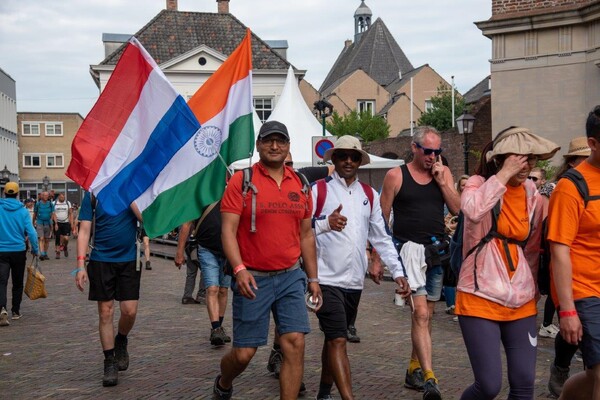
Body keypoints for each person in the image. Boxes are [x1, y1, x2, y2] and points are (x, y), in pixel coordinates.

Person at [212, 120, 322, 400]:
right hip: (253, 278)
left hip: (290, 276)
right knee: (244, 353)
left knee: (294, 342)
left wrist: (313, 278)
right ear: (259, 145)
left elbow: (306, 235)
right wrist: (238, 270)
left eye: (281, 141)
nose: (275, 146)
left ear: (288, 147)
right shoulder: (242, 180)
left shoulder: (301, 183)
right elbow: (228, 231)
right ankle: (224, 383)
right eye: (269, 140)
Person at [455, 126, 558, 399]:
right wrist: (502, 174)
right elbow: (473, 209)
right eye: (518, 158)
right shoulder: (480, 182)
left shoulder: (530, 192)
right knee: (488, 386)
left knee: (524, 384)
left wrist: (533, 290)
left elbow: (533, 246)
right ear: (500, 158)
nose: (526, 165)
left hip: (521, 299)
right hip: (480, 295)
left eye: (531, 158)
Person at [311, 135, 410, 400]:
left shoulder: (369, 194)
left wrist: (398, 272)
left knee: (334, 338)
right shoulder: (318, 190)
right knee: (339, 340)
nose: (348, 161)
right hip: (324, 279)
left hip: (354, 281)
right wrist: (324, 222)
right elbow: (298, 230)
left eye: (354, 157)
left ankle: (323, 393)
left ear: (359, 161)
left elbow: (381, 236)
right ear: (334, 158)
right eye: (342, 155)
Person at [378, 126, 460, 399]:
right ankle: (429, 378)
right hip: (408, 254)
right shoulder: (395, 175)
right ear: (414, 148)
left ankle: (414, 368)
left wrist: (443, 182)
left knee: (427, 316)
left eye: (438, 152)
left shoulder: (443, 173)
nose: (433, 156)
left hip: (436, 253)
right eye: (428, 151)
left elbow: (458, 209)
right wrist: (377, 256)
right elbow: (381, 218)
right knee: (421, 314)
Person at [549, 107, 600, 400]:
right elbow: (559, 250)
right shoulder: (571, 187)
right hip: (585, 290)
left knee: (593, 375)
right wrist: (567, 310)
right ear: (593, 143)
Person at [74, 192, 142, 387]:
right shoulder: (93, 194)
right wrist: (80, 265)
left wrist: (130, 199)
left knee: (129, 311)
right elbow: (85, 230)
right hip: (101, 260)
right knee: (106, 312)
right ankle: (109, 361)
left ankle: (121, 339)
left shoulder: (132, 189)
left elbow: (146, 219)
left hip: (129, 259)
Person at [542, 136, 591, 397]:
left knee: (583, 339)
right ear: (573, 161)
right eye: (582, 158)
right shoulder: (564, 186)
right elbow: (558, 241)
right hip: (572, 272)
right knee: (575, 331)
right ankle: (561, 367)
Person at [175, 201, 231, 345]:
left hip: (227, 251)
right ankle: (216, 328)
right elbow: (186, 224)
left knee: (223, 290)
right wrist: (179, 252)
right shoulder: (201, 194)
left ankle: (219, 325)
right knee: (212, 288)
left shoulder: (230, 191)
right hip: (206, 249)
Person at [0, 182, 39, 326]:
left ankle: (2, 308)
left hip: (1, 251)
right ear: (17, 194)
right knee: (17, 283)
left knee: (1, 282)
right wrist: (35, 249)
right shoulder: (22, 211)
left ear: (4, 193)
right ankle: (15, 311)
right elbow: (32, 233)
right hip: (18, 251)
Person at [32, 191, 55, 261]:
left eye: (47, 195)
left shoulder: (50, 204)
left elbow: (52, 214)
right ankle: (42, 253)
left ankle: (45, 253)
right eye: (44, 195)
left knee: (47, 239)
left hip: (48, 223)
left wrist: (53, 223)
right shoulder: (38, 204)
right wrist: (33, 222)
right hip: (39, 222)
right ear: (41, 196)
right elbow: (35, 214)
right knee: (41, 238)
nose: (46, 197)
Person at [53, 192, 73, 259]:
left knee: (66, 238)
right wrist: (55, 223)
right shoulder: (54, 203)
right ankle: (58, 252)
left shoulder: (67, 203)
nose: (62, 198)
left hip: (66, 222)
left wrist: (71, 223)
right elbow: (53, 214)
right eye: (61, 197)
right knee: (57, 237)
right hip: (58, 222)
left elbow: (70, 213)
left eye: (63, 197)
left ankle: (65, 247)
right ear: (59, 197)